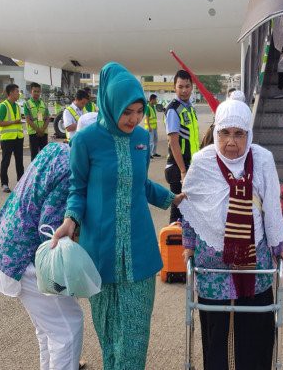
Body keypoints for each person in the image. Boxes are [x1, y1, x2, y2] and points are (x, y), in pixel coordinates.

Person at [52, 62, 185, 370]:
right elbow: (78, 188)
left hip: (139, 251)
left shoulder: (140, 139)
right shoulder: (85, 141)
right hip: (101, 250)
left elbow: (139, 183)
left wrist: (170, 198)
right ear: (110, 104)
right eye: (127, 112)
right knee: (110, 332)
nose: (134, 119)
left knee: (136, 333)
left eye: (139, 111)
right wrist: (71, 219)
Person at [180, 99, 283, 370]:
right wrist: (189, 245)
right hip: (212, 263)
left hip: (254, 262)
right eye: (225, 133)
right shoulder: (203, 161)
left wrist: (277, 246)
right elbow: (190, 204)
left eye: (238, 134)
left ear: (248, 135)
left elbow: (272, 206)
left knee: (254, 328)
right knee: (215, 333)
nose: (231, 141)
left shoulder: (262, 158)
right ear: (215, 133)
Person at [0, 143, 84, 370]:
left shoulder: (55, 150)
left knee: (48, 328)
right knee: (67, 329)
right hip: (28, 258)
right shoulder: (73, 170)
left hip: (9, 247)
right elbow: (49, 229)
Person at [165, 69, 200, 223]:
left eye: (187, 86)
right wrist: (183, 171)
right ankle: (171, 245)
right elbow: (173, 142)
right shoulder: (173, 109)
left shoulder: (189, 108)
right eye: (180, 87)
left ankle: (184, 246)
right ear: (174, 87)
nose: (184, 90)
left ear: (192, 87)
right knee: (177, 213)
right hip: (178, 168)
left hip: (190, 165)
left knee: (188, 212)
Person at [0, 83, 24, 193]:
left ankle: (21, 182)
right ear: (11, 93)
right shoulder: (3, 106)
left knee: (19, 161)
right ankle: (4, 183)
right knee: (5, 162)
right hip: (7, 138)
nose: (18, 93)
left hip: (18, 137)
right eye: (17, 91)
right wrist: (14, 122)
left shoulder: (17, 106)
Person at [24, 82, 51, 160]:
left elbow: (47, 118)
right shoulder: (27, 104)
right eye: (34, 91)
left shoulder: (44, 104)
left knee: (44, 155)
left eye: (38, 91)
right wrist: (38, 130)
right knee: (34, 156)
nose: (36, 93)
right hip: (33, 133)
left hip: (43, 133)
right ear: (31, 91)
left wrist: (42, 130)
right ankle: (34, 172)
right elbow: (28, 120)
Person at [144, 94, 161, 158]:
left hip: (154, 127)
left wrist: (156, 126)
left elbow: (154, 117)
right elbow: (147, 118)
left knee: (155, 140)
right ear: (152, 100)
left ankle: (154, 153)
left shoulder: (153, 107)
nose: (156, 101)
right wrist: (149, 127)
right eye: (155, 99)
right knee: (150, 141)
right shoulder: (148, 107)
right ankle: (149, 154)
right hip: (150, 128)